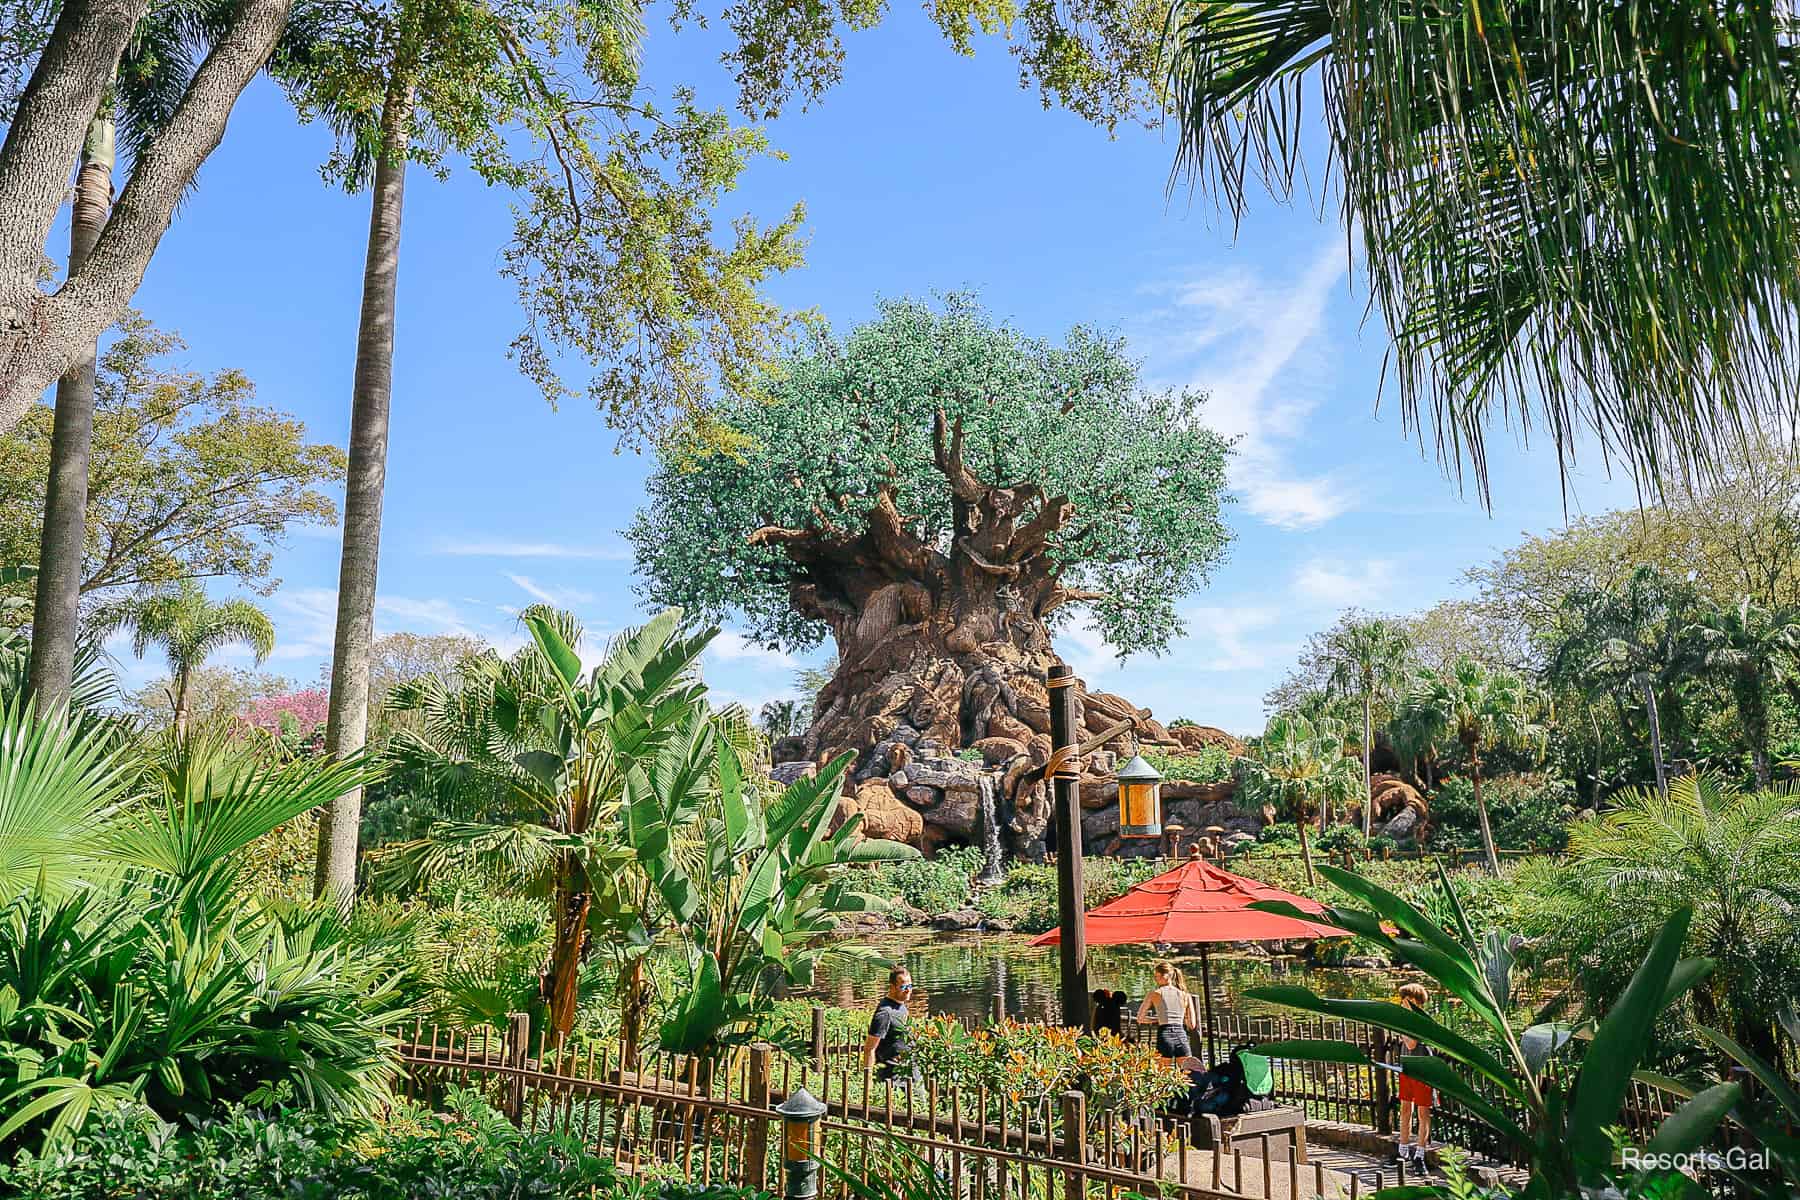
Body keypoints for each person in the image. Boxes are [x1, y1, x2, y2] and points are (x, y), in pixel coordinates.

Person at [1395, 982, 1436, 1177]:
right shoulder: (1404, 1020)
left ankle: (1419, 1155)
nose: (1403, 1003)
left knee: (1422, 1113)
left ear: (1417, 1002)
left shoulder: (1419, 1021)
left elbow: (1411, 1044)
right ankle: (1402, 1151)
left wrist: (1400, 1026)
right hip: (1407, 1068)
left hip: (1423, 1070)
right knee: (1405, 1109)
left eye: (1407, 1000)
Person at [1136, 961, 1196, 1062]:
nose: (1156, 979)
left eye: (1157, 976)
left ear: (1167, 976)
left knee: (1163, 1074)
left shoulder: (1154, 994)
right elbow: (1192, 1024)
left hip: (1165, 1034)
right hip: (1181, 1035)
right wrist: (1181, 1018)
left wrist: (1157, 1019)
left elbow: (1140, 1018)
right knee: (1187, 1074)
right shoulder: (1185, 995)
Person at [863, 965, 913, 1083]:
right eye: (903, 986)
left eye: (910, 986)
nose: (908, 990)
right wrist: (868, 1082)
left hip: (907, 1072)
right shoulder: (885, 1013)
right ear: (892, 987)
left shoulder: (901, 1006)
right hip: (893, 1078)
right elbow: (869, 1049)